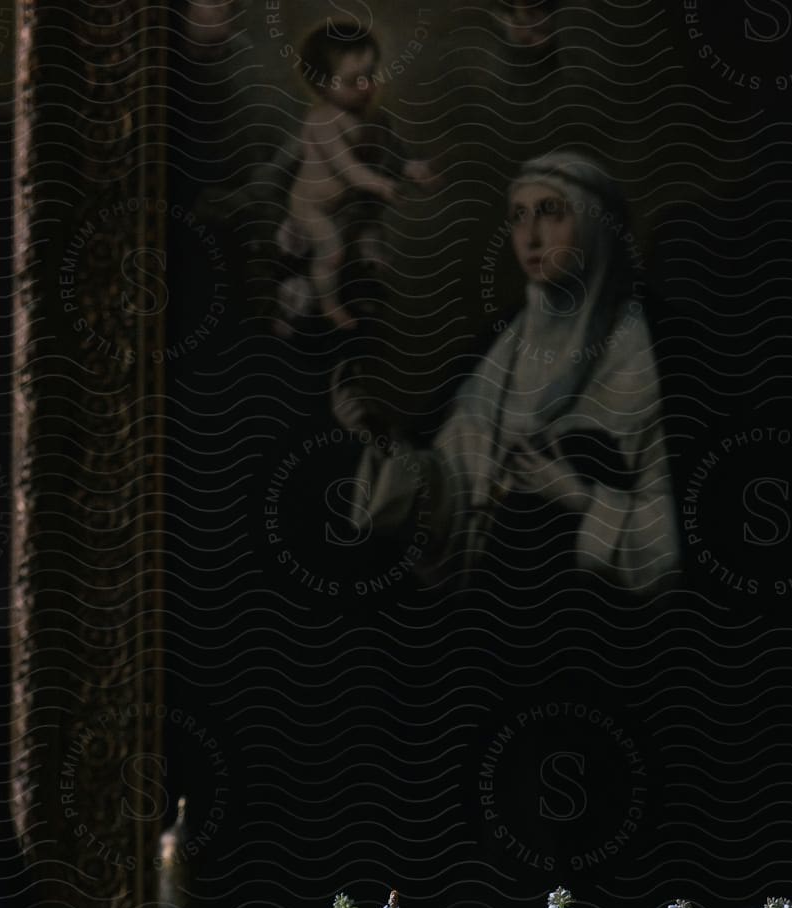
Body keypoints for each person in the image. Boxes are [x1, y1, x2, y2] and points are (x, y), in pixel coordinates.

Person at [332, 152, 679, 594]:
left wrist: (577, 498)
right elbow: (453, 493)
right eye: (519, 216)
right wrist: (380, 436)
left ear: (596, 225)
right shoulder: (498, 347)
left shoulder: (653, 350)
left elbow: (675, 537)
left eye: (551, 212)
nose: (530, 238)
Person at [277, 20, 437, 333]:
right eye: (354, 81)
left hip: (349, 207)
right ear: (322, 85)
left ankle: (364, 295)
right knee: (332, 250)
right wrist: (378, 183)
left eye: (370, 76)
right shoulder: (322, 121)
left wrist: (410, 168)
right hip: (312, 207)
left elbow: (391, 154)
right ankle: (327, 303)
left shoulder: (375, 118)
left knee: (371, 249)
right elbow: (347, 168)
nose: (367, 87)